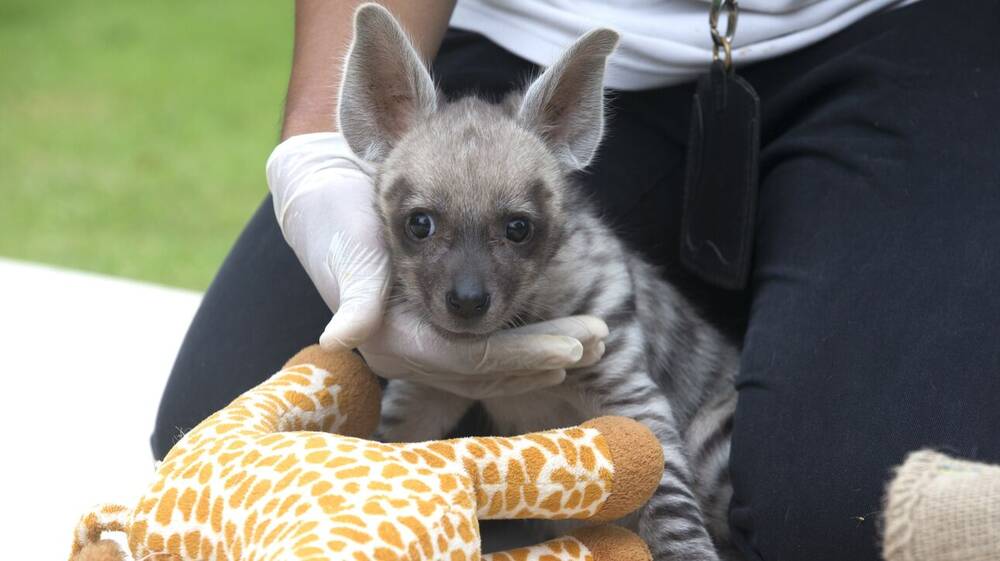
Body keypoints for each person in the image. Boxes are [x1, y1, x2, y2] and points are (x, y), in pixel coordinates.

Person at [151, 1, 1000, 560]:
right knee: (230, 450)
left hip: (892, 32)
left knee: (846, 512)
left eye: (516, 236)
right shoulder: (414, 142)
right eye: (422, 230)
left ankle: (799, 356)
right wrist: (315, 164)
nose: (469, 289)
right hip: (527, 26)